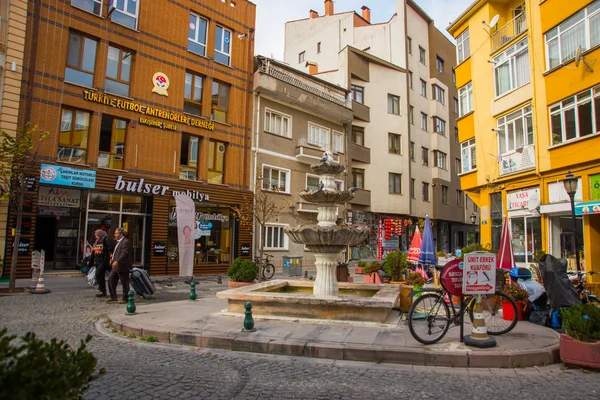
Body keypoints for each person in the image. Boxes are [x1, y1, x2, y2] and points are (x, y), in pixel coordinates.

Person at [106, 227, 133, 304]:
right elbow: (116, 252)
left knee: (124, 282)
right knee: (111, 279)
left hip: (123, 265)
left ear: (121, 234)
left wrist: (118, 261)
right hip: (115, 265)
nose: (115, 234)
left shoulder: (126, 242)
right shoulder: (117, 242)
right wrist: (112, 258)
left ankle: (125, 298)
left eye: (116, 233)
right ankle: (113, 296)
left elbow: (124, 253)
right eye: (115, 233)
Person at [88, 230, 110, 297]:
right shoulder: (96, 243)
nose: (96, 237)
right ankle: (102, 290)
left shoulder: (104, 242)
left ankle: (103, 290)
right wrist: (91, 260)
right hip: (96, 262)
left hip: (102, 262)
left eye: (97, 235)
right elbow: (93, 253)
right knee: (99, 276)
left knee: (98, 274)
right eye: (95, 236)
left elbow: (106, 253)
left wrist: (105, 262)